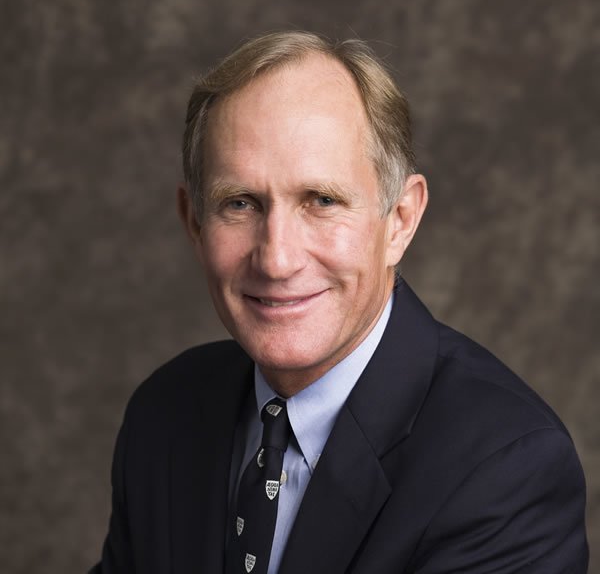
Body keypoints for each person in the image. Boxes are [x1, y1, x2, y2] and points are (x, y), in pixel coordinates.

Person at [91, 31, 589, 573]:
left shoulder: (505, 468)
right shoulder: (165, 414)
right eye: (240, 203)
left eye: (322, 200)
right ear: (194, 223)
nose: (277, 259)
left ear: (400, 221)